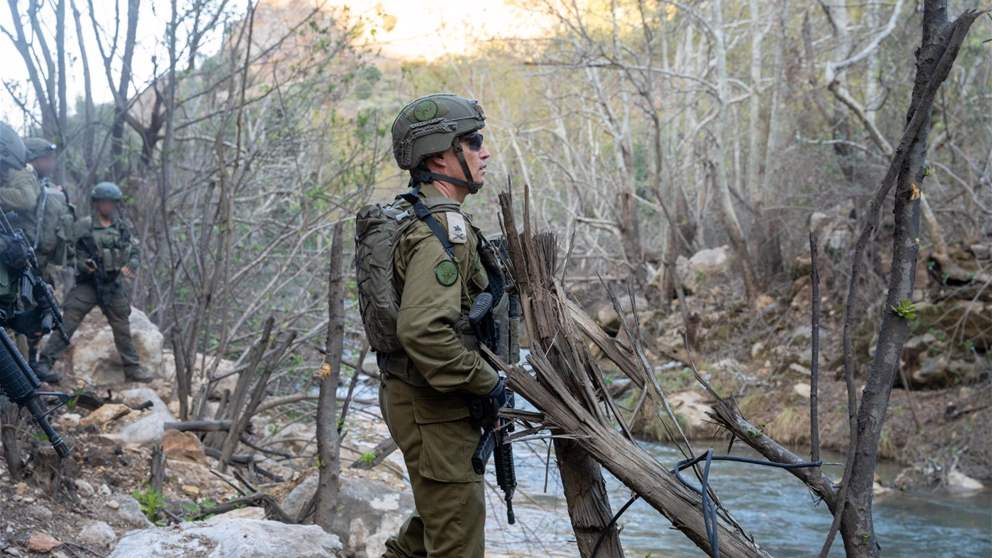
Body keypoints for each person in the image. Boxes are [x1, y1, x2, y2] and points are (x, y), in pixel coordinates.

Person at [358, 94, 508, 558]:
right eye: (474, 141)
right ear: (441, 153)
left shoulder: (421, 217)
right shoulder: (441, 231)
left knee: (435, 525)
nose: (485, 152)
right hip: (433, 406)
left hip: (421, 399)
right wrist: (488, 382)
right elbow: (424, 331)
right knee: (456, 536)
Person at [34, 181, 150, 383]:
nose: (108, 206)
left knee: (122, 327)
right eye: (104, 202)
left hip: (112, 284)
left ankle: (132, 368)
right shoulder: (84, 226)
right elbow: (69, 252)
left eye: (111, 203)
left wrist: (129, 265)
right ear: (96, 203)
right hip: (88, 284)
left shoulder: (122, 228)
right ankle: (44, 362)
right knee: (67, 322)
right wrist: (83, 265)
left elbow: (134, 251)